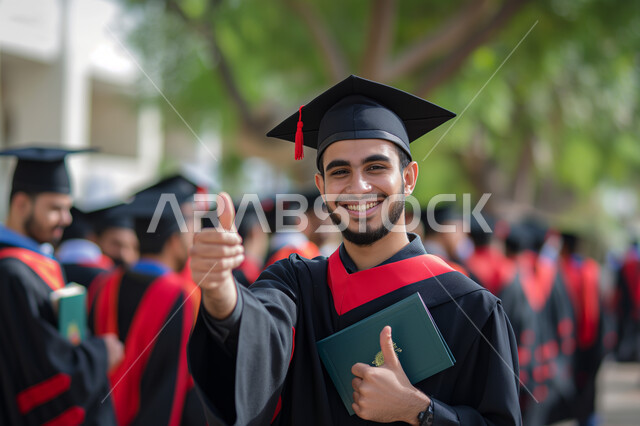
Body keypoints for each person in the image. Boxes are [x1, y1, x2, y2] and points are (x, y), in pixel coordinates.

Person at [188, 75, 521, 425]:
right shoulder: (297, 285)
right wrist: (222, 293)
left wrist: (419, 411)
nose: (358, 186)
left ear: (408, 179)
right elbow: (256, 331)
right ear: (322, 186)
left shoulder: (470, 307)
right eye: (340, 171)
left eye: (375, 167)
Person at [0, 146, 123, 425]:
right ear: (21, 205)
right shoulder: (11, 274)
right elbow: (44, 370)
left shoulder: (35, 264)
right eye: (55, 208)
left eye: (68, 208)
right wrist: (101, 354)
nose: (66, 220)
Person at [88, 175, 206, 426]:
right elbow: (171, 387)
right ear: (174, 241)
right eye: (190, 229)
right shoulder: (182, 296)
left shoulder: (102, 284)